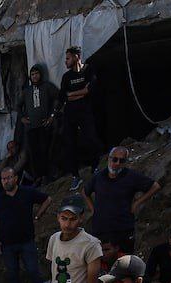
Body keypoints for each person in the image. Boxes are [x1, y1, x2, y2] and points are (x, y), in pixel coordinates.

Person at [83, 146, 161, 255]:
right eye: (115, 159)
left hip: (123, 228)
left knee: (125, 261)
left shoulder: (131, 177)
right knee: (101, 261)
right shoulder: (99, 177)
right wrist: (93, 210)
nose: (117, 163)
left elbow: (155, 186)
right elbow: (85, 192)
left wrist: (137, 203)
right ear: (109, 159)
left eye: (121, 161)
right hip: (101, 229)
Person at [0, 167, 51, 283]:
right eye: (3, 179)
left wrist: (38, 216)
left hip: (26, 240)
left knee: (32, 269)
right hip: (7, 244)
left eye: (8, 178)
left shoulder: (27, 192)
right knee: (12, 273)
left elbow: (47, 199)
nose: (6, 181)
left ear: (15, 178)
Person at [58, 46, 103, 190]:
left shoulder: (88, 70)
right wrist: (80, 93)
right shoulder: (66, 77)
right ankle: (75, 176)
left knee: (91, 139)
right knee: (70, 144)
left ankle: (95, 168)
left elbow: (90, 90)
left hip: (86, 112)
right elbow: (64, 96)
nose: (65, 61)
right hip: (70, 114)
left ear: (76, 57)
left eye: (68, 58)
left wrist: (73, 94)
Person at [19, 65, 58, 184]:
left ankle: (47, 175)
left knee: (45, 150)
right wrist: (22, 118)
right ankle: (38, 177)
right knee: (33, 152)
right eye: (32, 74)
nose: (34, 76)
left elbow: (57, 98)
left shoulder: (47, 87)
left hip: (44, 126)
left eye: (36, 73)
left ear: (40, 74)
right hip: (31, 127)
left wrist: (52, 116)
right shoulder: (27, 91)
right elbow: (18, 105)